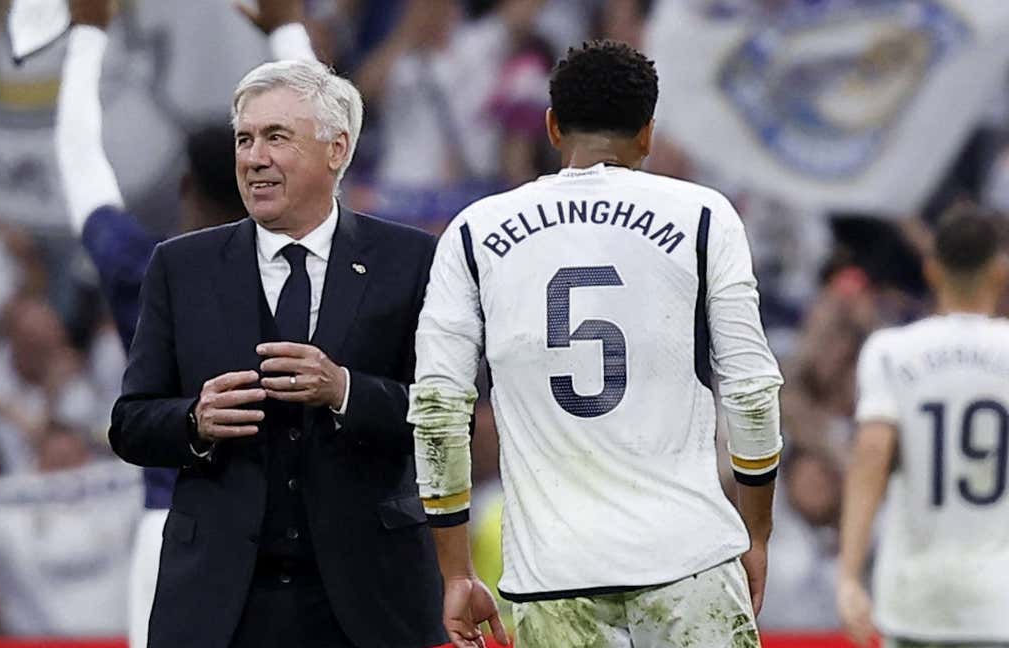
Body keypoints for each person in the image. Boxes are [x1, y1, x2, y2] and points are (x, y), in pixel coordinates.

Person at [410, 40, 784, 647]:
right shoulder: (703, 216)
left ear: (552, 126)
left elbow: (437, 410)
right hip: (689, 560)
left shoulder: (474, 233)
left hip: (554, 575)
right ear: (648, 134)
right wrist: (758, 533)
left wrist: (455, 569)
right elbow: (751, 389)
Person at [107, 55, 446, 648]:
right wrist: (195, 420)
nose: (253, 158)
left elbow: (449, 417)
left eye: (276, 138)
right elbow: (131, 423)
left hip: (369, 602)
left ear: (336, 150)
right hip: (218, 603)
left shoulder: (411, 261)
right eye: (245, 139)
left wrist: (346, 391)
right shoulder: (180, 267)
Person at [54, 1, 317, 646]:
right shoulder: (317, 263)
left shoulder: (144, 269)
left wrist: (88, 36)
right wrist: (287, 27)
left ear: (185, 190)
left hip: (172, 528)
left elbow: (80, 160)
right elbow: (331, 141)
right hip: (292, 532)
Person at [837, 207, 1009, 648]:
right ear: (1000, 271)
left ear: (932, 270)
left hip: (917, 597)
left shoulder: (891, 351)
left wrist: (850, 575)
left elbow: (872, 455)